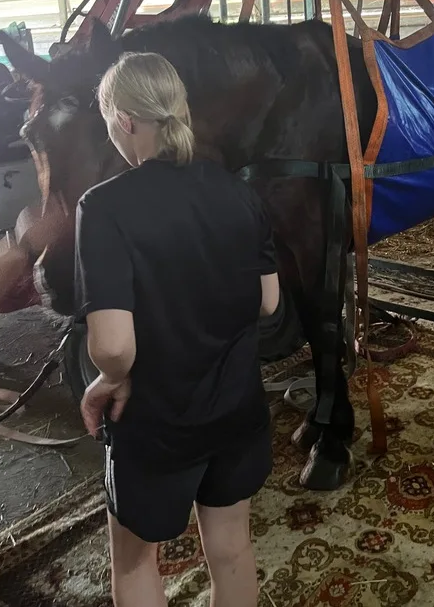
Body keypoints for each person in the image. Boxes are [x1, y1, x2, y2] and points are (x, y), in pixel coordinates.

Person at [75, 51, 280, 607]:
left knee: (137, 559)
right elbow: (268, 300)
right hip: (237, 412)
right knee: (233, 547)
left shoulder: (104, 207)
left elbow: (115, 346)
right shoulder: (240, 192)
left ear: (123, 120)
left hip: (159, 425)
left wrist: (105, 381)